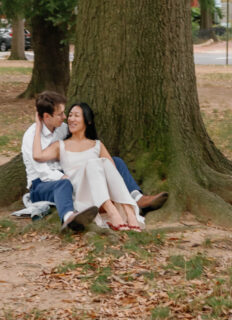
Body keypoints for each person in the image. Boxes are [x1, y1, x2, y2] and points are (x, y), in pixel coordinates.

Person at [21, 90, 167, 234]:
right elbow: (41, 168)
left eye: (71, 115)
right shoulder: (32, 136)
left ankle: (136, 199)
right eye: (61, 114)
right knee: (65, 183)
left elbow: (78, 139)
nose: (66, 118)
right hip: (42, 183)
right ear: (46, 116)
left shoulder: (63, 128)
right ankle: (69, 218)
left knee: (114, 162)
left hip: (73, 176)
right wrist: (63, 176)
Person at [34, 102, 142, 231]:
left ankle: (129, 212)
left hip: (99, 191)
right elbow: (38, 155)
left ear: (88, 121)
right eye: (70, 115)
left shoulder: (97, 145)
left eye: (76, 115)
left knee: (106, 164)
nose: (71, 119)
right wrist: (38, 126)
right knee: (93, 163)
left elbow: (114, 176)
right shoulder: (60, 145)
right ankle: (113, 212)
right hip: (78, 192)